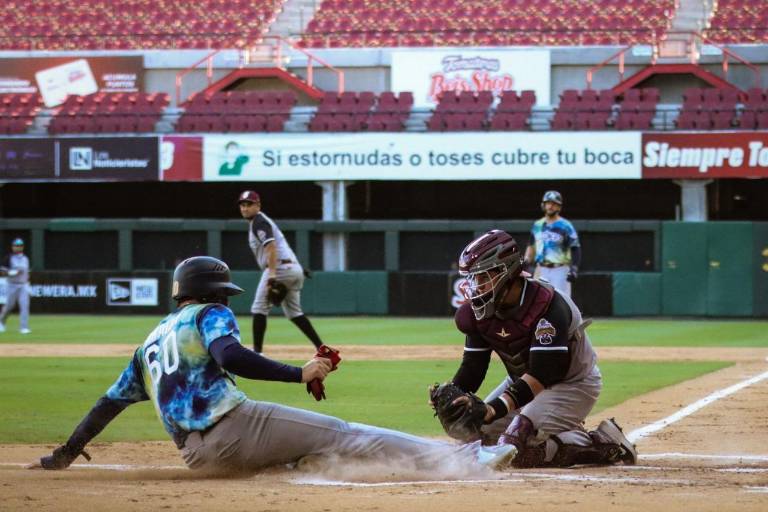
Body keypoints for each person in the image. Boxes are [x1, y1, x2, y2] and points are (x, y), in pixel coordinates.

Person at [30, 256, 516, 473]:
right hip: (233, 430)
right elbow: (230, 356)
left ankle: (301, 462)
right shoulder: (209, 314)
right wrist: (298, 372)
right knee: (345, 432)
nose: (227, 300)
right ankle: (464, 459)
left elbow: (107, 404)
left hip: (197, 457)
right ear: (212, 293)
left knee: (309, 444)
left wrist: (66, 453)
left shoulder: (150, 342)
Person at [438, 230, 636, 468]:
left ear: (506, 271)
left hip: (572, 384)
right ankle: (555, 427)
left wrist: (493, 409)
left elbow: (543, 373)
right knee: (475, 436)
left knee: (516, 447)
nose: (476, 286)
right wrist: (454, 394)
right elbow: (473, 367)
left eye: (483, 277)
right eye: (473, 279)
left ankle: (603, 442)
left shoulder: (548, 306)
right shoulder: (479, 312)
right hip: (522, 382)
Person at [238, 190, 325, 354]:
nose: (245, 208)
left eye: (249, 204)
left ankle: (257, 353)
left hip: (278, 269)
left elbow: (271, 247)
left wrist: (272, 275)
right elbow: (281, 246)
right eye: (242, 205)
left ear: (258, 205)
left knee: (259, 308)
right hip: (292, 268)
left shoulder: (259, 222)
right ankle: (322, 348)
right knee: (294, 312)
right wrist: (299, 269)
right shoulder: (261, 221)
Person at [524, 190, 580, 297]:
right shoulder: (537, 225)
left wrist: (574, 269)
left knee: (561, 300)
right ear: (543, 205)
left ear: (559, 207)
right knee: (538, 300)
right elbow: (531, 246)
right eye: (548, 203)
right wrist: (526, 261)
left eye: (554, 204)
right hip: (541, 269)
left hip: (560, 270)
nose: (550, 206)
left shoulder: (566, 226)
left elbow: (575, 248)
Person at [0, 238, 31, 334]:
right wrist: (12, 273)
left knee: (24, 305)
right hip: (12, 285)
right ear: (12, 247)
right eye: (16, 246)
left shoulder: (25, 258)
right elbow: (2, 272)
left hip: (23, 285)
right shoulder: (9, 258)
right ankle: (1, 321)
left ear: (22, 247)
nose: (18, 247)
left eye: (20, 246)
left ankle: (24, 327)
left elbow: (27, 272)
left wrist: (28, 281)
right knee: (9, 306)